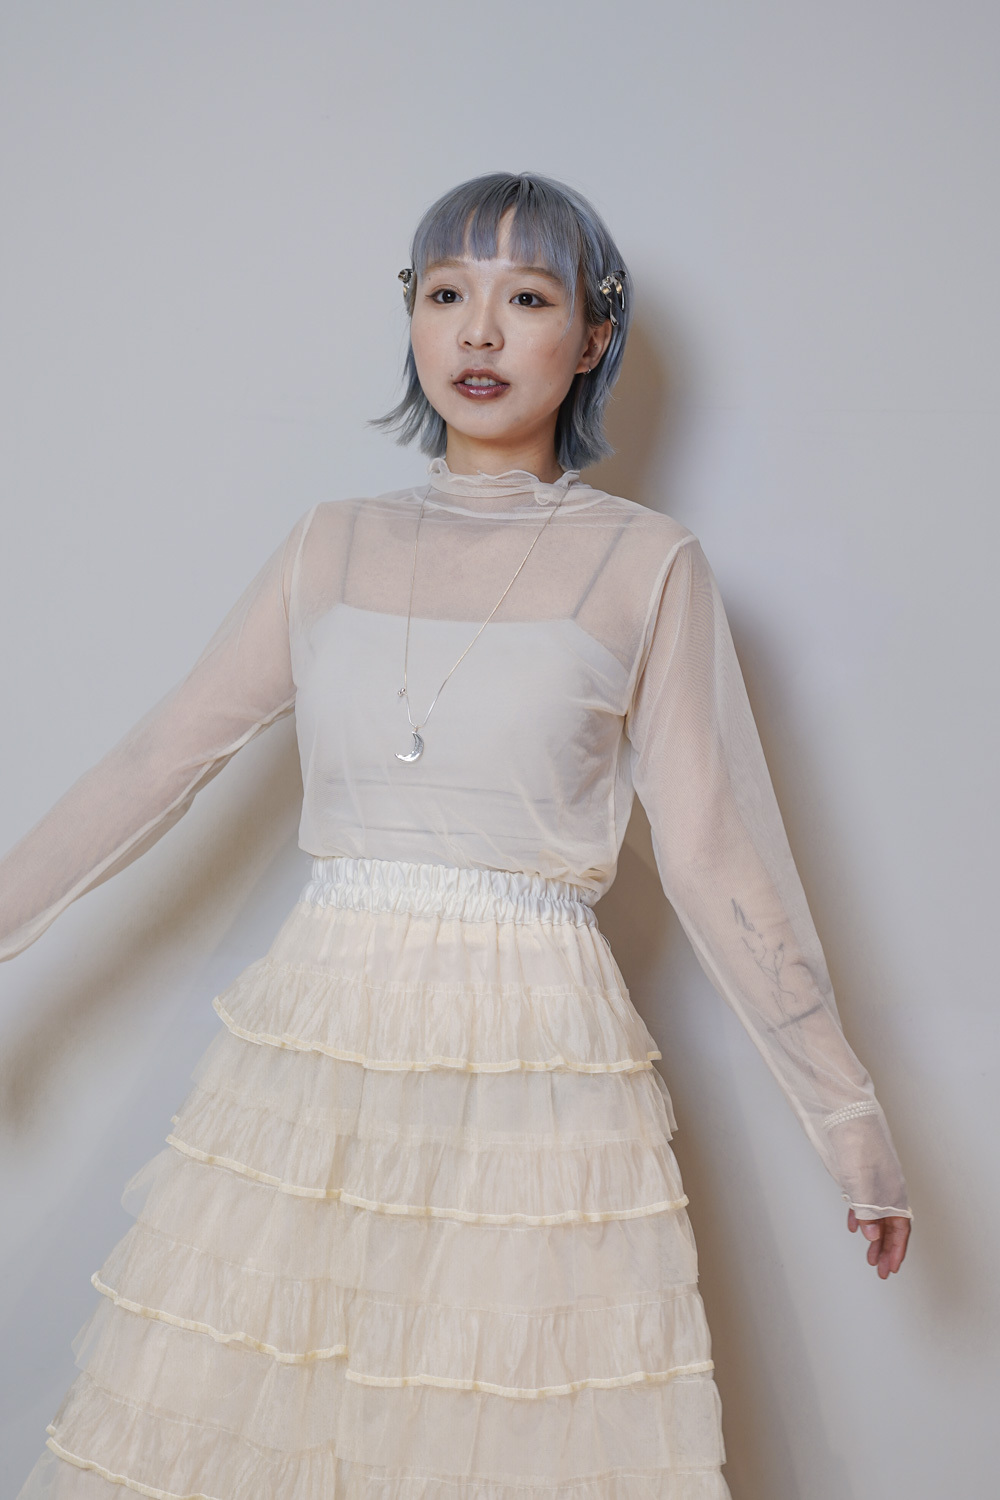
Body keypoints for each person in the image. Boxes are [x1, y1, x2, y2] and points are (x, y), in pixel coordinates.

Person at [6, 171, 911, 1499]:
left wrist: (849, 1121)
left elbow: (718, 857)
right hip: (325, 1040)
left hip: (537, 1055)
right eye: (447, 293)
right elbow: (157, 762)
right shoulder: (330, 544)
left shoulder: (646, 563)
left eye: (527, 298)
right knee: (264, 1421)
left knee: (502, 1427)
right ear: (414, 317)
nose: (479, 331)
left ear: (593, 338)